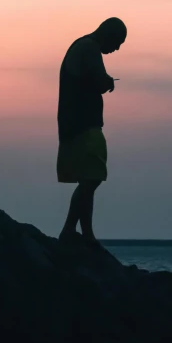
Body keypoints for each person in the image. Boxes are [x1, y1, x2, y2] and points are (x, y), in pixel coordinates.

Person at [57, 17, 127, 246]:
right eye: (117, 43)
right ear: (109, 35)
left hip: (76, 123)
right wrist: (108, 82)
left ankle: (86, 233)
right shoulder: (89, 48)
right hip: (82, 124)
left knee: (89, 178)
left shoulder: (83, 46)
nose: (116, 49)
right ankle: (70, 229)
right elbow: (98, 80)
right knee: (92, 177)